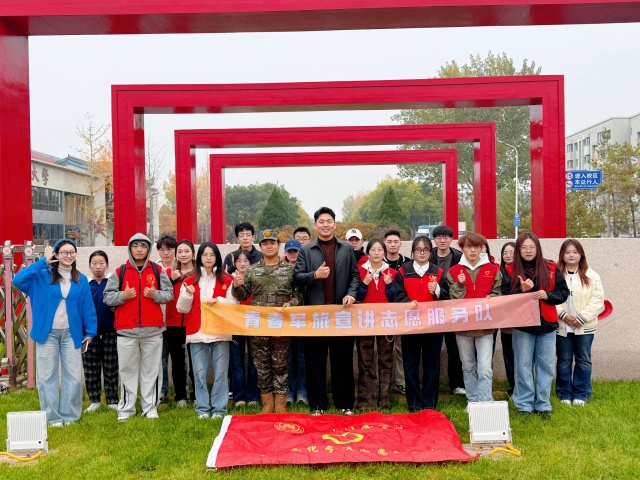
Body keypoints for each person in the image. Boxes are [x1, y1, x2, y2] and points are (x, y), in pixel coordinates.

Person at [13, 238, 97, 426]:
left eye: (72, 252)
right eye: (64, 252)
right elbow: (17, 280)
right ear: (56, 255)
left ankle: (70, 416)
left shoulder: (81, 279)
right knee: (46, 377)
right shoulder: (41, 276)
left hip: (71, 334)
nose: (68, 255)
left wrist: (90, 331)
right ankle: (52, 418)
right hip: (47, 334)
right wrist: (43, 262)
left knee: (73, 377)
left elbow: (87, 307)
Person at [294, 207, 360, 416]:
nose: (325, 225)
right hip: (316, 316)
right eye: (321, 221)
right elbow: (297, 277)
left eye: (329, 221)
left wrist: (351, 294)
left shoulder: (346, 248)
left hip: (341, 313)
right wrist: (315, 275)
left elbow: (354, 275)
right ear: (315, 225)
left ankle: (345, 403)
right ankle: (317, 404)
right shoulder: (306, 250)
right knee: (315, 361)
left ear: (334, 224)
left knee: (343, 360)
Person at [104, 233, 173, 421]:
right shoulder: (120, 272)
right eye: (135, 246)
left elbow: (169, 294)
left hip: (153, 331)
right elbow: (107, 297)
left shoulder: (158, 270)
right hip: (126, 330)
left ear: (148, 249)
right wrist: (123, 296)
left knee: (152, 371)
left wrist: (155, 295)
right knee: (127, 371)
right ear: (130, 248)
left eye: (143, 246)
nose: (139, 249)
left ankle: (150, 408)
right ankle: (126, 409)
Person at [233, 230, 303, 413]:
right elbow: (243, 295)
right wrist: (236, 286)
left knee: (280, 363)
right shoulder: (252, 270)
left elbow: (299, 296)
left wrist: (291, 303)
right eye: (265, 243)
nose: (269, 246)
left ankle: (280, 403)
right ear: (261, 247)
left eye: (272, 243)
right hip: (259, 323)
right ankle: (267, 402)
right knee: (261, 364)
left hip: (281, 322)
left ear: (278, 246)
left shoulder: (289, 270)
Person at [501, 233, 569, 417]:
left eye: (532, 247)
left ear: (538, 248)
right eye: (524, 247)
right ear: (518, 250)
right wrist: (521, 291)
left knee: (545, 366)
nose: (528, 251)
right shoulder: (510, 270)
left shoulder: (551, 267)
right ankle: (524, 404)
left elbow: (563, 292)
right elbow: (504, 298)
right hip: (523, 326)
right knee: (523, 366)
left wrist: (548, 295)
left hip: (547, 324)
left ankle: (543, 404)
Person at [177, 242, 233, 419]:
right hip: (197, 332)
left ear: (217, 257)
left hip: (220, 331)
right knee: (199, 373)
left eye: (212, 254)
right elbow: (181, 308)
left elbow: (234, 304)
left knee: (221, 373)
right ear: (199, 257)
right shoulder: (189, 281)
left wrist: (219, 301)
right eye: (205, 255)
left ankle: (219, 408)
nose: (208, 258)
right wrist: (187, 294)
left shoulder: (226, 280)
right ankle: (202, 408)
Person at [395, 235, 448, 412]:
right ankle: (414, 402)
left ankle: (430, 401)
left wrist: (437, 290)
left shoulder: (438, 272)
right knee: (410, 364)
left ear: (431, 252)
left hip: (433, 325)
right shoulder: (403, 271)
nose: (422, 253)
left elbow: (448, 297)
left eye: (426, 250)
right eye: (418, 250)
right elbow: (397, 295)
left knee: (432, 364)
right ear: (413, 252)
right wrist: (408, 302)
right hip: (411, 325)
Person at [447, 233, 501, 403]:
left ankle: (486, 401)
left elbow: (499, 292)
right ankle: (472, 401)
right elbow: (452, 299)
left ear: (481, 248)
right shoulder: (454, 271)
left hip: (486, 327)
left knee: (485, 368)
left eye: (476, 247)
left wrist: (493, 297)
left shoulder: (493, 269)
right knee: (468, 366)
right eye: (468, 247)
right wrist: (459, 284)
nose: (472, 250)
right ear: (462, 249)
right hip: (463, 327)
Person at [555, 239, 604, 406]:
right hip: (562, 325)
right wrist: (562, 314)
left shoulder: (592, 275)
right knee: (564, 359)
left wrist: (581, 318)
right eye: (567, 252)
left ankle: (581, 393)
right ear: (562, 254)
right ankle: (564, 393)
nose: (571, 255)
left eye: (575, 252)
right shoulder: (555, 273)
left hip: (585, 326)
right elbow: (549, 297)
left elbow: (598, 299)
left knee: (583, 359)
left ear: (581, 254)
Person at [223, 222, 261, 407]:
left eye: (248, 234)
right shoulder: (229, 259)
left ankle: (253, 395)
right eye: (241, 234)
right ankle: (238, 395)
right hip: (235, 321)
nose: (245, 237)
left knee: (255, 360)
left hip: (255, 320)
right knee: (236, 360)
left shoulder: (261, 258)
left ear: (253, 236)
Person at [355, 239, 396, 410]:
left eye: (380, 250)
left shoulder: (392, 272)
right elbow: (357, 296)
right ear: (368, 253)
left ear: (384, 252)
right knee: (365, 359)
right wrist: (364, 283)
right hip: (365, 320)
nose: (377, 253)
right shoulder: (359, 271)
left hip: (386, 320)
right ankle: (366, 400)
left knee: (386, 359)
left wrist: (390, 285)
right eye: (373, 250)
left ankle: (385, 400)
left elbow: (395, 298)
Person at [429, 225, 466, 396]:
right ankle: (432, 385)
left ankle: (456, 384)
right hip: (432, 309)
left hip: (453, 308)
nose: (442, 240)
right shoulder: (428, 256)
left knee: (454, 348)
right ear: (434, 240)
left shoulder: (459, 257)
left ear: (452, 239)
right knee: (432, 350)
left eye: (446, 237)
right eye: (439, 237)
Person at [83, 250, 119, 413]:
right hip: (89, 333)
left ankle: (112, 400)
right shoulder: (85, 284)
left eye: (101, 263)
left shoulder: (113, 282)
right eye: (94, 263)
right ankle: (94, 401)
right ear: (90, 265)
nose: (98, 267)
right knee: (91, 368)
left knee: (111, 367)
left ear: (107, 265)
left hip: (111, 330)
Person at [164, 239, 196, 407]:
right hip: (174, 322)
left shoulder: (199, 273)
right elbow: (162, 294)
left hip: (194, 322)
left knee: (196, 360)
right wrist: (171, 280)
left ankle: (197, 394)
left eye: (187, 251)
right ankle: (180, 395)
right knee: (177, 362)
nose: (183, 255)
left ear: (193, 253)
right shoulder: (170, 273)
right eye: (180, 252)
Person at [384, 229, 409, 395]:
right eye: (389, 242)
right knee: (384, 350)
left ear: (400, 244)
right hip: (382, 313)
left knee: (400, 348)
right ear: (384, 244)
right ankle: (383, 383)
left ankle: (401, 382)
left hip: (402, 312)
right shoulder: (378, 261)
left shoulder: (407, 263)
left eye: (395, 242)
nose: (392, 245)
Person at [283, 238, 307, 404]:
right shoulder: (281, 269)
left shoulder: (305, 268)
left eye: (295, 251)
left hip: (303, 319)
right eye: (290, 251)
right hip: (284, 320)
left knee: (301, 357)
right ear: (285, 253)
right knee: (288, 358)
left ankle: (302, 392)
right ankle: (290, 392)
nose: (293, 255)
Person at [156, 234, 177, 402]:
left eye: (169, 249)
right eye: (162, 249)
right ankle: (162, 391)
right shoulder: (155, 269)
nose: (166, 253)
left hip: (178, 320)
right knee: (161, 359)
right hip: (159, 321)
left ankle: (181, 392)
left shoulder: (182, 266)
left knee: (179, 360)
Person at [499, 241, 516, 396]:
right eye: (505, 253)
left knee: (521, 359)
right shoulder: (499, 273)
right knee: (509, 357)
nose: (508, 255)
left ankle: (523, 388)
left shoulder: (524, 272)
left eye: (511, 252)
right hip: (506, 325)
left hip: (522, 324)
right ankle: (513, 387)